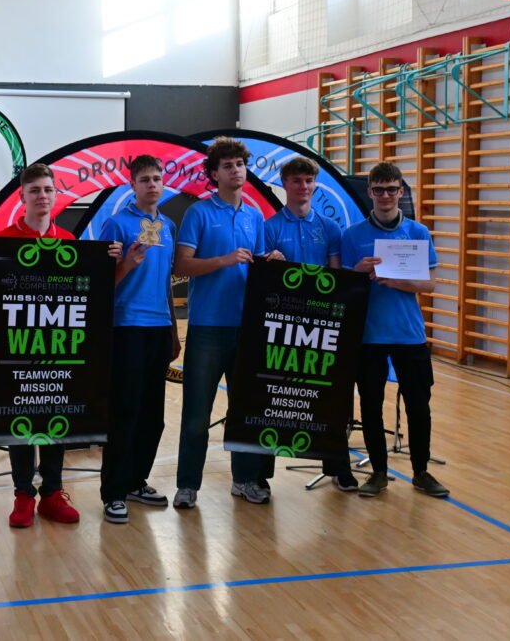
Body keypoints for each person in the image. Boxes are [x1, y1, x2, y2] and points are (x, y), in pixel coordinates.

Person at [0, 163, 120, 528]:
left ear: (56, 195)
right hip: (16, 347)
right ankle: (23, 494)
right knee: (18, 416)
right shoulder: (1, 241)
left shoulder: (69, 242)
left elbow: (90, 295)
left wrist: (109, 264)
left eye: (48, 190)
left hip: (58, 346)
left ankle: (52, 492)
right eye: (34, 190)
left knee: (57, 411)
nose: (42, 196)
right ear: (22, 196)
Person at [340, 162, 450, 498]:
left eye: (392, 189)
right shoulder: (352, 235)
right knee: (371, 406)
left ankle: (421, 471)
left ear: (401, 192)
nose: (385, 195)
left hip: (408, 334)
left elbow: (429, 284)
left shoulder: (418, 232)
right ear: (370, 192)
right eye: (379, 190)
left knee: (419, 405)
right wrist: (358, 271)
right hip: (368, 336)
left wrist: (398, 281)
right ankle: (378, 473)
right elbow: (342, 286)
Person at [173, 137, 269, 509]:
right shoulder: (198, 213)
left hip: (246, 328)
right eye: (227, 166)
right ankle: (187, 485)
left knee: (243, 411)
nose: (236, 171)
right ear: (214, 174)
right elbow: (182, 265)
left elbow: (256, 266)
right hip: (207, 328)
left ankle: (244, 480)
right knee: (197, 413)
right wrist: (223, 260)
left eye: (240, 165)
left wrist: (270, 262)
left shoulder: (255, 216)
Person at [263, 156, 358, 491]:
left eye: (308, 181)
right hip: (283, 324)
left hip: (321, 323)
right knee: (272, 398)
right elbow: (263, 280)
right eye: (297, 181)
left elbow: (336, 275)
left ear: (315, 185)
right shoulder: (270, 227)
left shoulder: (330, 228)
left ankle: (338, 467)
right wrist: (273, 265)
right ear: (285, 184)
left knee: (332, 398)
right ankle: (260, 475)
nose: (303, 187)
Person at [97, 155, 181, 524]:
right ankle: (114, 492)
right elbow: (101, 281)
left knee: (153, 416)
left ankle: (136, 482)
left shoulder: (169, 225)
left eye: (157, 178)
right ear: (133, 185)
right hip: (126, 327)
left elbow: (166, 283)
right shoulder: (117, 223)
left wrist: (173, 329)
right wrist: (127, 264)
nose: (152, 185)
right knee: (125, 412)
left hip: (159, 328)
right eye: (144, 179)